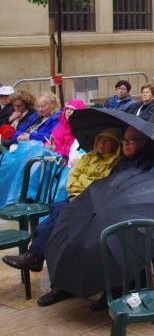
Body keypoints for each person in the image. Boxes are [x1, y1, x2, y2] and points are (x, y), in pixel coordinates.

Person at [2, 128, 124, 307]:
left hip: (95, 204)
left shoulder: (116, 163)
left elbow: (101, 185)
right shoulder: (88, 157)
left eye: (107, 141)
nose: (102, 145)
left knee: (58, 220)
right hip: (76, 198)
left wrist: (83, 188)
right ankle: (56, 278)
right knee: (51, 222)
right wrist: (76, 192)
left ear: (115, 144)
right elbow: (73, 176)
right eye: (100, 140)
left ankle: (35, 256)